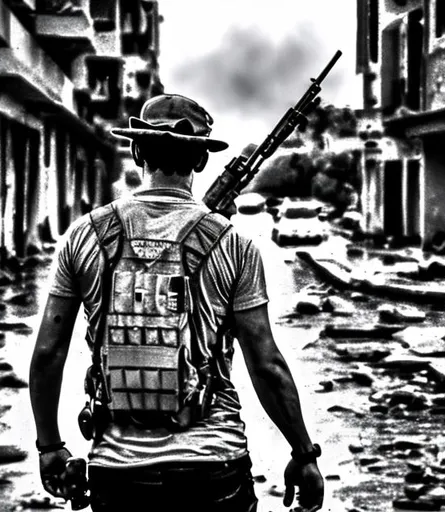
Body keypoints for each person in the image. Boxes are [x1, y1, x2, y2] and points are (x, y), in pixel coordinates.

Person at [29, 93, 324, 512]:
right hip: (213, 468)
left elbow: (47, 353)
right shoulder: (234, 244)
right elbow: (267, 365)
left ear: (135, 151)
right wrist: (303, 454)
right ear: (201, 160)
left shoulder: (84, 235)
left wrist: (49, 447)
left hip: (117, 473)